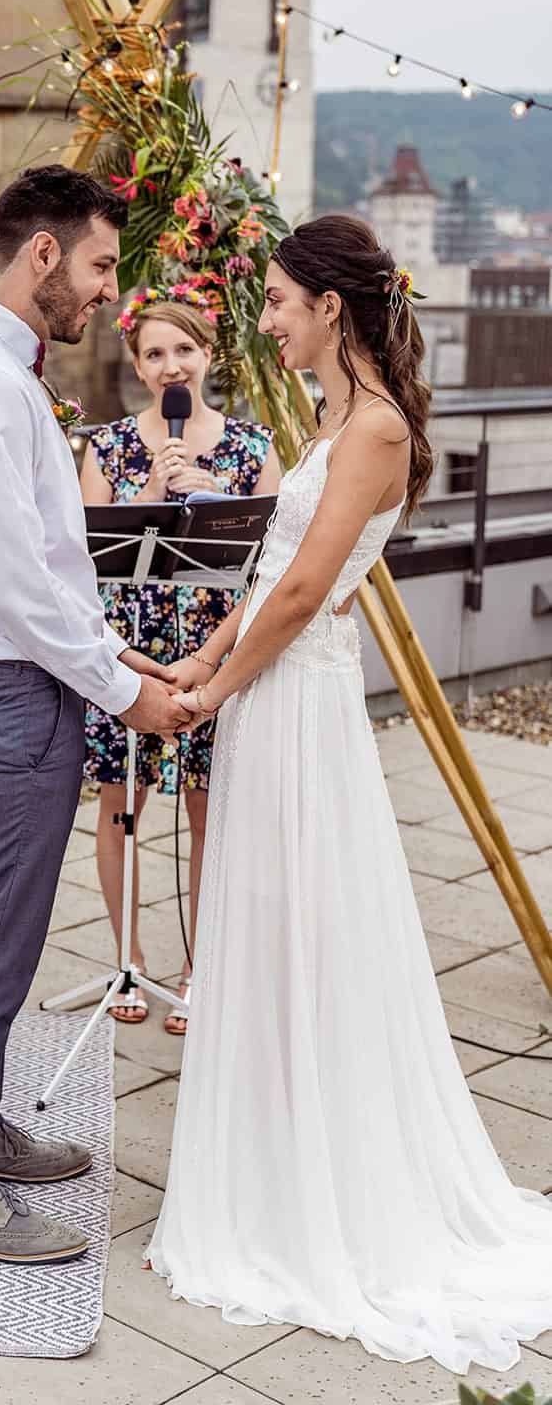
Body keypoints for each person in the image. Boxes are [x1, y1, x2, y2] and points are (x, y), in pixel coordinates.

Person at [147, 215, 552, 1373]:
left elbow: (305, 594)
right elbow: (266, 576)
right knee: (267, 925)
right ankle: (275, 1148)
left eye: (276, 301)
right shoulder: (329, 419)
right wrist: (195, 655)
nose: (263, 321)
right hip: (269, 689)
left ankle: (314, 1186)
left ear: (330, 308)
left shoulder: (372, 428)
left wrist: (216, 688)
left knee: (305, 926)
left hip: (298, 707)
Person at [0, 164, 191, 1268]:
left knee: (6, 937)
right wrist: (131, 696)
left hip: (24, 681)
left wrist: (121, 655)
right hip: (4, 692)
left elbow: (42, 568)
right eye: (101, 264)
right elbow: (17, 587)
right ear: (40, 255)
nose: (108, 293)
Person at [80, 298, 280, 1032]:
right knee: (119, 806)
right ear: (137, 368)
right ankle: (127, 962)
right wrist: (146, 492)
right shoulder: (103, 448)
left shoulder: (251, 447)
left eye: (183, 351)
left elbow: (273, 566)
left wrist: (215, 493)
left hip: (212, 648)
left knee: (208, 812)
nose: (171, 366)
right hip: (126, 647)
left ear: (207, 356)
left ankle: (200, 969)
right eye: (155, 354)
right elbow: (82, 561)